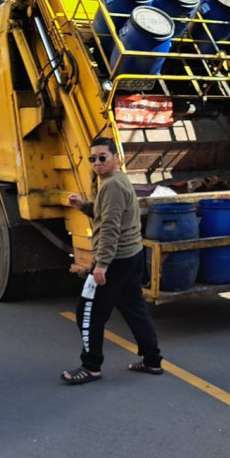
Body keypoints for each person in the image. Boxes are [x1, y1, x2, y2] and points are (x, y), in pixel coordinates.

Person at [62, 137, 162, 385]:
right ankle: (152, 360)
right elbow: (108, 212)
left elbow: (109, 227)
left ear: (115, 157)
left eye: (102, 157)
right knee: (133, 309)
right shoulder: (117, 181)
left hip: (116, 260)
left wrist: (102, 264)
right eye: (92, 159)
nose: (97, 163)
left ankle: (91, 366)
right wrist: (84, 206)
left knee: (88, 312)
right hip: (131, 256)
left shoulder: (112, 185)